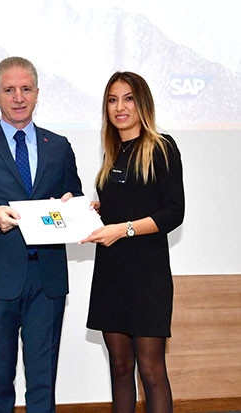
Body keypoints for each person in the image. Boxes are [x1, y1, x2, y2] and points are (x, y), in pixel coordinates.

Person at [0, 56, 83, 412]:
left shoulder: (59, 146)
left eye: (26, 89)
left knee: (43, 383)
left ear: (37, 93)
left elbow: (75, 197)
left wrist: (72, 207)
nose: (19, 97)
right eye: (9, 90)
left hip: (47, 279)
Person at [80, 72, 184, 413]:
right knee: (120, 367)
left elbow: (173, 212)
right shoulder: (112, 154)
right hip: (111, 274)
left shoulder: (161, 147)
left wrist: (123, 229)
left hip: (148, 276)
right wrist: (93, 210)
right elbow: (127, 204)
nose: (120, 107)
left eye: (128, 99)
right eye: (112, 100)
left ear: (143, 104)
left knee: (151, 372)